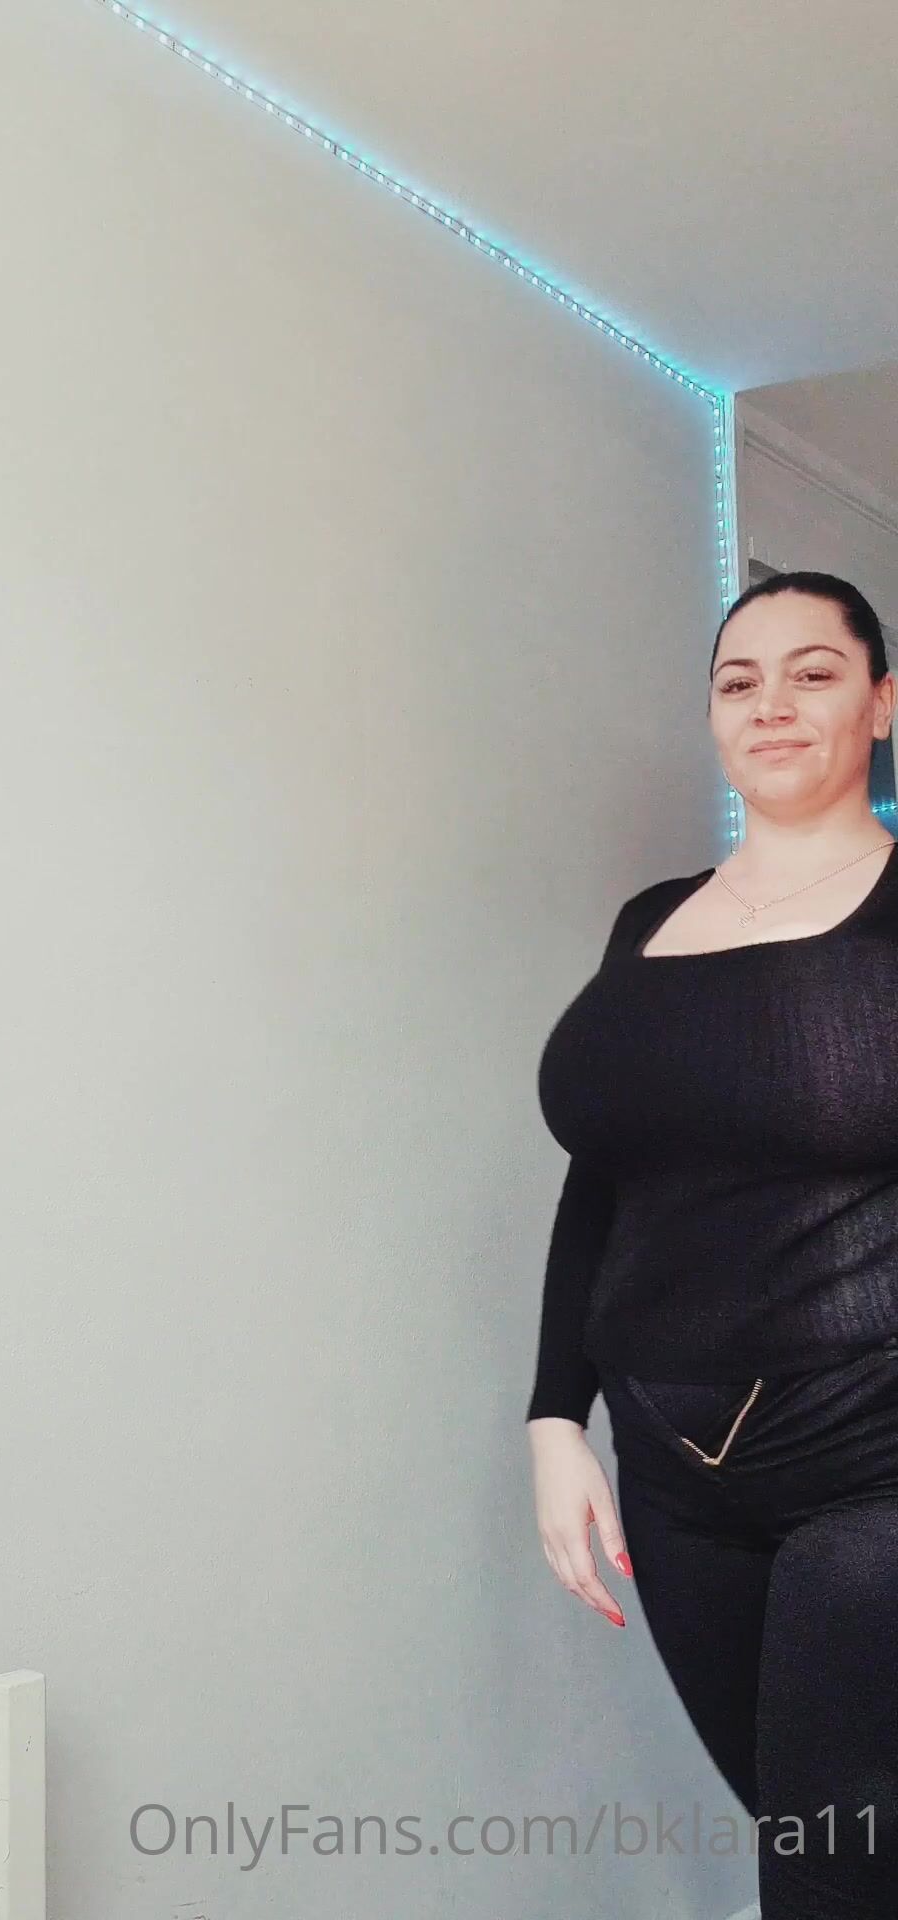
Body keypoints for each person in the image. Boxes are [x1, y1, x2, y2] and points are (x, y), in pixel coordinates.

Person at [525, 569, 898, 1920]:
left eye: (814, 673)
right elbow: (606, 1179)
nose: (772, 704)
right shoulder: (651, 920)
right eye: (740, 682)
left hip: (871, 1462)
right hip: (673, 1476)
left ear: (882, 703)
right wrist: (554, 1417)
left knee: (829, 1869)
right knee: (808, 1832)